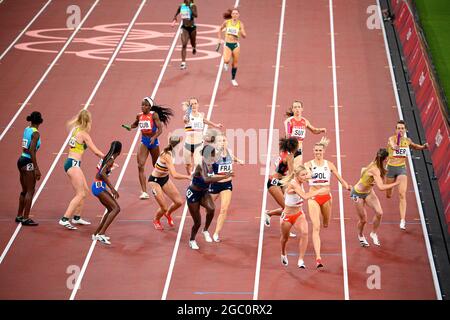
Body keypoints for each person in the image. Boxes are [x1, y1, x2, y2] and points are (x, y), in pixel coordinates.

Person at [304, 137, 351, 268]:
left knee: (325, 223)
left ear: (323, 151)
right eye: (316, 150)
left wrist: (348, 186)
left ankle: (325, 221)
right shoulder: (308, 164)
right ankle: (318, 258)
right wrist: (308, 175)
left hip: (326, 198)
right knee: (316, 227)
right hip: (313, 197)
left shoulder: (329, 165)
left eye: (320, 150)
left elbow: (340, 179)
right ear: (313, 151)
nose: (318, 152)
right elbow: (304, 174)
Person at [59, 110, 104, 230]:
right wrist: (108, 158)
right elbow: (95, 151)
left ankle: (77, 217)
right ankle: (64, 219)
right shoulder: (84, 134)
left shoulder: (75, 130)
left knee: (85, 191)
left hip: (72, 163)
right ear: (88, 121)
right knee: (80, 194)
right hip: (73, 164)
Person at [122, 97, 173, 200]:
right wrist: (130, 127)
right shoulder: (139, 115)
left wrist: (154, 138)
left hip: (153, 143)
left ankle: (163, 184)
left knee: (156, 165)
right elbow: (135, 124)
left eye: (145, 105)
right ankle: (144, 192)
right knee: (140, 165)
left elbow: (160, 129)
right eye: (142, 105)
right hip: (144, 142)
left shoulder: (154, 115)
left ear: (150, 107)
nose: (143, 107)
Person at [186, 145, 233, 250]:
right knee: (197, 222)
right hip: (193, 194)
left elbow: (221, 156)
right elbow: (207, 179)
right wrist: (224, 176)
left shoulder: (210, 164)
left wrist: (223, 147)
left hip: (204, 192)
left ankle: (205, 230)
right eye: (212, 156)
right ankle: (192, 240)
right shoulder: (200, 165)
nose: (214, 158)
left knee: (211, 209)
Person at [279, 165, 327, 268]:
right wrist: (319, 191)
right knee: (284, 239)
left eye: (305, 174)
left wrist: (321, 175)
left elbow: (312, 175)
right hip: (287, 216)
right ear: (297, 176)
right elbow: (305, 197)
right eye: (303, 175)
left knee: (305, 233)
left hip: (298, 215)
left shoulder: (302, 177)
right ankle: (283, 253)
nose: (305, 177)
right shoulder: (294, 184)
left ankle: (300, 260)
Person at [350, 149, 400, 247]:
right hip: (357, 193)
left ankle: (373, 233)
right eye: (387, 158)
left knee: (379, 213)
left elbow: (363, 169)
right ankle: (360, 236)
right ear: (385, 159)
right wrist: (396, 183)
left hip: (369, 192)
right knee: (363, 220)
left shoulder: (378, 162)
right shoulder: (375, 169)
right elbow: (381, 187)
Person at [385, 120, 428, 230]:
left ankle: (402, 220)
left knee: (402, 194)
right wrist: (395, 146)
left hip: (401, 169)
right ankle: (391, 187)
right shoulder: (391, 139)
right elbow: (392, 144)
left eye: (402, 128)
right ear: (395, 130)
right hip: (390, 168)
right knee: (388, 195)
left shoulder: (407, 141)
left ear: (405, 130)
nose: (400, 130)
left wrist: (423, 147)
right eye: (398, 128)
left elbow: (415, 146)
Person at [150, 136, 191, 230]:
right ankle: (156, 220)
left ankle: (168, 214)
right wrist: (188, 177)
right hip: (155, 181)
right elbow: (175, 175)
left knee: (178, 202)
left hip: (164, 179)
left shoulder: (172, 151)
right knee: (163, 207)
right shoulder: (167, 155)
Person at [209, 134, 244, 242]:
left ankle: (216, 233)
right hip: (214, 184)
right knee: (208, 207)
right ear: (216, 143)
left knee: (224, 209)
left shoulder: (229, 151)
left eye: (224, 140)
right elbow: (209, 173)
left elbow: (232, 158)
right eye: (220, 141)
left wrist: (239, 161)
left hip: (226, 185)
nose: (223, 142)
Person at [91, 141, 122, 245]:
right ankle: (101, 234)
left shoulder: (106, 157)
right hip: (98, 187)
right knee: (116, 209)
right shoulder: (110, 160)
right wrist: (112, 189)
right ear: (119, 151)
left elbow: (100, 170)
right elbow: (102, 173)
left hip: (97, 185)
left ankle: (96, 233)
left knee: (110, 209)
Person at [16, 111, 43, 226]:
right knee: (30, 191)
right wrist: (36, 168)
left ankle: (19, 215)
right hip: (28, 162)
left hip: (21, 160)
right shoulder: (36, 133)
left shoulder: (27, 129)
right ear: (40, 122)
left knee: (24, 190)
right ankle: (26, 218)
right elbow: (32, 150)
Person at [182, 97, 222, 174]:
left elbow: (205, 120)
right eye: (191, 104)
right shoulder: (187, 116)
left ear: (198, 105)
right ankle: (189, 175)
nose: (194, 105)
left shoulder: (201, 115)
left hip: (198, 144)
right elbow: (185, 120)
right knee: (187, 165)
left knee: (198, 164)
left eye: (195, 103)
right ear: (190, 106)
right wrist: (188, 112)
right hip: (188, 145)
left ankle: (193, 177)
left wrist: (216, 125)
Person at [264, 137, 298, 227]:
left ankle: (269, 214)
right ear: (294, 147)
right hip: (274, 182)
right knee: (287, 208)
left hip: (281, 181)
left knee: (289, 207)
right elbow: (291, 175)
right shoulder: (289, 157)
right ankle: (285, 229)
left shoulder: (283, 152)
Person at [284, 100, 326, 165]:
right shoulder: (289, 121)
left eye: (299, 107)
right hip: (290, 149)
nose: (297, 109)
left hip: (299, 149)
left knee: (297, 170)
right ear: (292, 109)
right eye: (295, 107)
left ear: (302, 109)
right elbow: (288, 134)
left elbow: (314, 130)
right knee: (282, 172)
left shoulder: (304, 121)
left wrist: (321, 130)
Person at [217, 8, 247, 86]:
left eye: (236, 14)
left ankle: (233, 79)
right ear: (231, 15)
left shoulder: (240, 24)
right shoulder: (227, 22)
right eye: (233, 13)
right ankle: (226, 63)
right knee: (226, 60)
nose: (235, 15)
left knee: (235, 63)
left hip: (236, 45)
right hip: (227, 44)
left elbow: (244, 35)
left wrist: (242, 33)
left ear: (238, 15)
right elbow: (220, 29)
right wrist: (219, 39)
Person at [171, 0, 198, 70]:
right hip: (184, 28)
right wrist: (175, 18)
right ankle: (183, 63)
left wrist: (190, 9)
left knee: (192, 42)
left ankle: (194, 47)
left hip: (192, 28)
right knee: (184, 44)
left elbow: (196, 15)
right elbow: (176, 13)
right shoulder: (181, 6)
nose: (188, 1)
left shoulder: (193, 6)